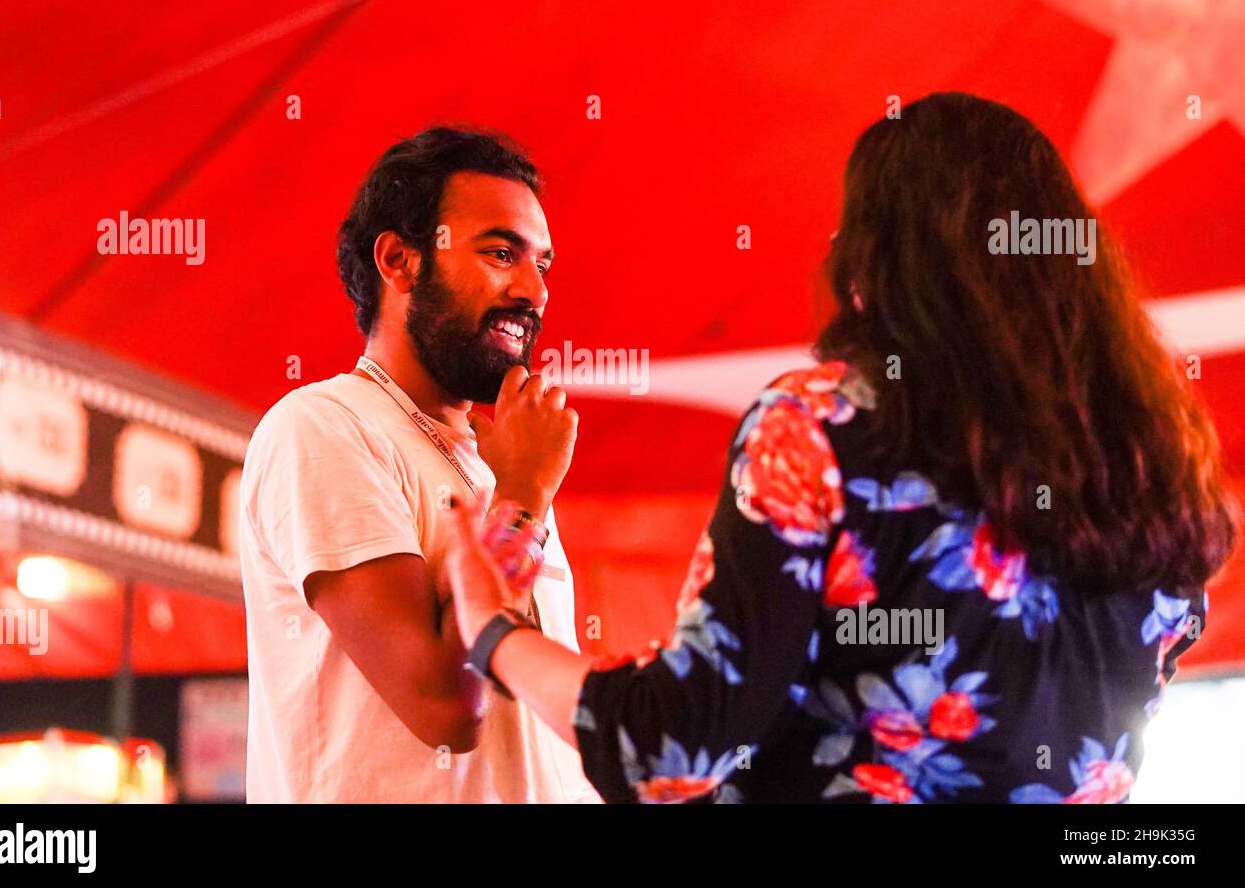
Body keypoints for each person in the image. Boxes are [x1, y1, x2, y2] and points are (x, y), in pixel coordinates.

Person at [442, 93, 1238, 803]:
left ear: (878, 262)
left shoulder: (822, 426)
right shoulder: (1158, 472)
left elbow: (672, 745)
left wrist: (492, 630)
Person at [239, 127, 596, 802]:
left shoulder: (495, 467)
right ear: (401, 261)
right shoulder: (323, 427)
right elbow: (445, 709)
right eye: (500, 253)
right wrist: (524, 492)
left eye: (542, 265)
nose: (534, 292)